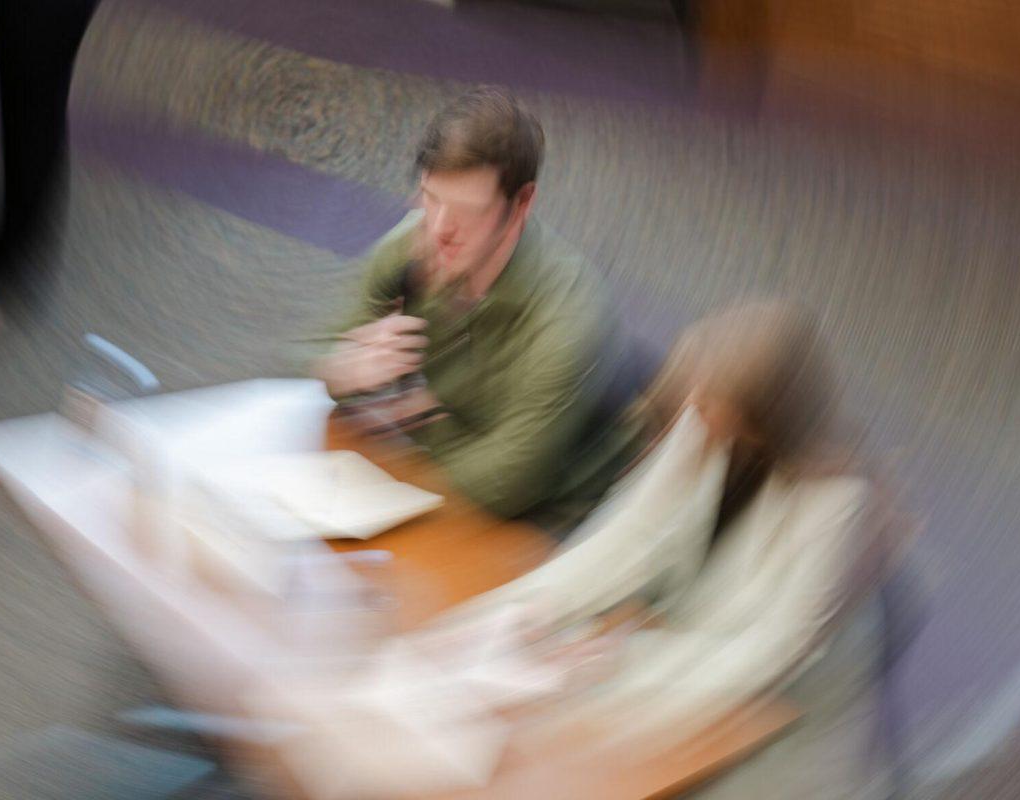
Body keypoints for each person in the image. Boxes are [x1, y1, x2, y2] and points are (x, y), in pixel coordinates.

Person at [444, 301, 913, 797]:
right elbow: (631, 534)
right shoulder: (710, 423)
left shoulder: (838, 503)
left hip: (781, 733)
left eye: (711, 400)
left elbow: (768, 651)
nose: (694, 408)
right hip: (698, 675)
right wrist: (524, 609)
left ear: (767, 413)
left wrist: (622, 661)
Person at [309, 86, 647, 526]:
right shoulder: (413, 249)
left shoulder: (567, 317)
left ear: (521, 204)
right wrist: (346, 370)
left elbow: (505, 487)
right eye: (431, 198)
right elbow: (312, 352)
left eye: (468, 209)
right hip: (442, 487)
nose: (440, 228)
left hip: (555, 523)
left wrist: (422, 419)